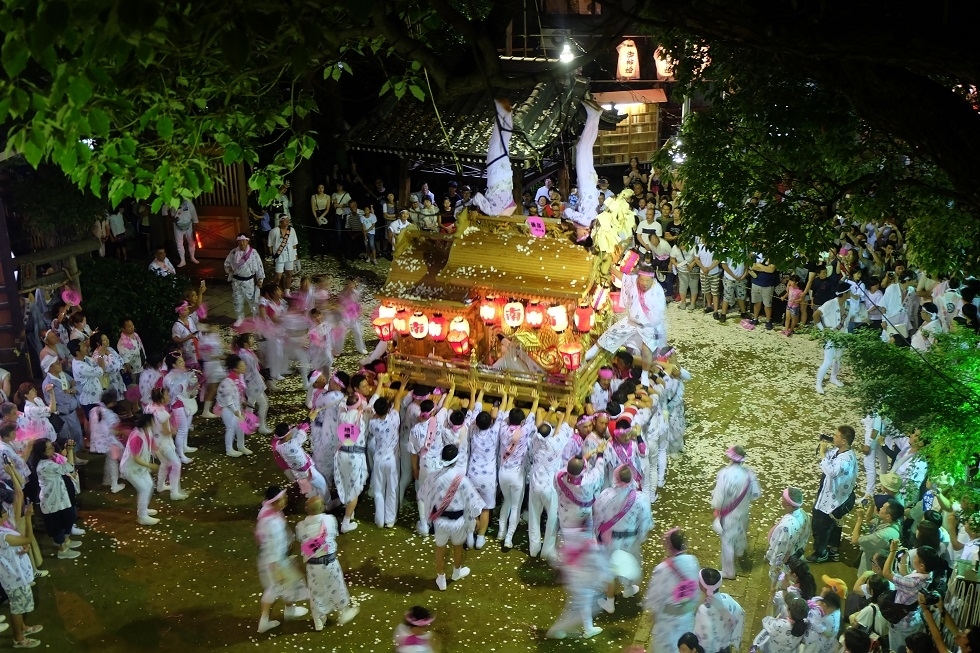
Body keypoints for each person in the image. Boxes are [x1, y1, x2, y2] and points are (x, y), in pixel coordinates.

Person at [418, 444, 483, 591]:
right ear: (456, 460)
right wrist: (475, 517)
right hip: (458, 521)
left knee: (440, 549)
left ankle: (441, 579)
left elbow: (423, 494)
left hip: (440, 520)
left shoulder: (433, 477)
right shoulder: (462, 480)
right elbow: (472, 501)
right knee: (458, 547)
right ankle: (456, 572)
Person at [294, 496, 358, 631]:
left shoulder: (300, 526)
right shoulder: (329, 520)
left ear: (306, 509)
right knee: (337, 586)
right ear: (323, 507)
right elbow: (333, 534)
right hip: (329, 563)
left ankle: (318, 620)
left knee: (316, 592)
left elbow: (301, 540)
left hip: (312, 565)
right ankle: (343, 612)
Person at [0, 464, 45, 648]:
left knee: (21, 605)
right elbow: (27, 537)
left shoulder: (4, 528)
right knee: (17, 607)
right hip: (13, 577)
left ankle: (23, 627)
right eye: (2, 512)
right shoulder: (3, 534)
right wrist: (28, 518)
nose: (5, 513)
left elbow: (21, 539)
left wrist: (23, 545)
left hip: (17, 572)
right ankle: (18, 638)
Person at [590, 264, 667, 371]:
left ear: (652, 280)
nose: (644, 283)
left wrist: (646, 323)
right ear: (638, 278)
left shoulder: (657, 291)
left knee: (646, 350)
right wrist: (611, 268)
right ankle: (590, 353)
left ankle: (645, 375)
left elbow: (658, 313)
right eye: (642, 280)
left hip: (649, 326)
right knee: (611, 333)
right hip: (632, 321)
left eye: (647, 281)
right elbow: (624, 278)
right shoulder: (634, 281)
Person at [255, 486, 309, 634]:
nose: (285, 500)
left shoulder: (268, 512)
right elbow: (273, 546)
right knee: (276, 588)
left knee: (286, 586)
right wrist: (278, 568)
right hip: (275, 562)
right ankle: (264, 621)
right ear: (273, 502)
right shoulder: (272, 523)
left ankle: (289, 609)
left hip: (275, 558)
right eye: (281, 499)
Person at [527, 399, 573, 560]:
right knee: (552, 520)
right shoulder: (555, 445)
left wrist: (552, 408)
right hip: (550, 488)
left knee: (534, 518)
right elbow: (564, 431)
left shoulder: (535, 439)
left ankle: (534, 548)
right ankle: (547, 549)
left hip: (534, 486)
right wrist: (566, 412)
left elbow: (542, 425)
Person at [545, 526, 608, 640]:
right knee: (578, 609)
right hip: (583, 583)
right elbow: (601, 568)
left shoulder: (573, 538)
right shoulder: (593, 547)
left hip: (575, 581)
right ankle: (556, 630)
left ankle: (588, 628)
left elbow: (558, 559)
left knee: (583, 606)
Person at [807, 425, 858, 563]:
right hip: (834, 497)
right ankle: (832, 549)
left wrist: (823, 454)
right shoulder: (842, 452)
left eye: (836, 436)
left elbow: (832, 472)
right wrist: (825, 450)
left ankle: (820, 553)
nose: (833, 437)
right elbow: (831, 458)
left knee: (820, 526)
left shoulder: (845, 460)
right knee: (833, 525)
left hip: (832, 500)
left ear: (844, 440)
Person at [645, 528, 702, 653]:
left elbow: (655, 598)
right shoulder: (692, 561)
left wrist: (653, 614)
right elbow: (696, 588)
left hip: (667, 620)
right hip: (687, 615)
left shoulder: (662, 569)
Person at [711, 445, 761, 579]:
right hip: (743, 511)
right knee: (741, 532)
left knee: (727, 540)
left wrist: (717, 509)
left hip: (729, 514)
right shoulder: (749, 473)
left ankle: (728, 571)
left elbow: (719, 497)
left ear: (730, 458)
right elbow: (756, 494)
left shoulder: (724, 474)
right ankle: (740, 551)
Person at [496, 393, 539, 549]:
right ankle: (508, 538)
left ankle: (501, 531)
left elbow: (504, 414)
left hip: (503, 474)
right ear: (521, 421)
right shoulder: (525, 430)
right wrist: (535, 400)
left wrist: (509, 398)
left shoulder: (502, 429)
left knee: (506, 502)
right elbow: (531, 417)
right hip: (516, 475)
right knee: (515, 506)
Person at [27, 438, 81, 559]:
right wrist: (71, 450)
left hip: (60, 496)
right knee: (57, 525)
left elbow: (64, 460)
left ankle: (66, 542)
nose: (53, 449)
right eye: (50, 448)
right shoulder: (45, 465)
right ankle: (62, 550)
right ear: (42, 452)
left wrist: (67, 451)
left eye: (52, 446)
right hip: (52, 500)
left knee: (67, 519)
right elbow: (69, 467)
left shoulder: (52, 458)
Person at [813, 282, 861, 394]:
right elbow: (816, 315)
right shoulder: (830, 304)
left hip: (843, 335)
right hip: (831, 336)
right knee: (828, 361)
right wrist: (823, 329)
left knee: (838, 359)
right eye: (849, 291)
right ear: (845, 293)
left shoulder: (848, 304)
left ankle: (833, 377)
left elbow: (851, 319)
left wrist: (864, 319)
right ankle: (818, 383)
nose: (851, 293)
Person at [369, 388, 404, 529]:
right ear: (388, 409)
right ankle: (390, 520)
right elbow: (397, 402)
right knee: (392, 489)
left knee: (378, 489)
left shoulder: (372, 423)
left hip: (378, 458)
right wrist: (401, 387)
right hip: (392, 460)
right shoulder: (394, 418)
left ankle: (379, 519)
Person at [765, 488, 810, 589]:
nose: (781, 500)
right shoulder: (804, 514)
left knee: (780, 587)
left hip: (785, 564)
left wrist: (775, 565)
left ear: (788, 505)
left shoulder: (786, 526)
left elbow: (779, 549)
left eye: (783, 499)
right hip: (797, 554)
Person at [120, 413, 160, 525]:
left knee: (149, 485)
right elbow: (136, 458)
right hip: (131, 468)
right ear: (148, 423)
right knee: (144, 489)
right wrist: (150, 465)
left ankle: (143, 510)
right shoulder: (137, 437)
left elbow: (153, 446)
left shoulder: (147, 432)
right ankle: (142, 516)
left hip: (139, 467)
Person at [693, 568, 746, 653]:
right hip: (726, 647)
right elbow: (740, 612)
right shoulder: (727, 598)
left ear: (703, 586)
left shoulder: (704, 610)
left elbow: (705, 639)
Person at [850, 498, 903, 574]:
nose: (880, 508)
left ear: (888, 516)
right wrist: (872, 505)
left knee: (864, 580)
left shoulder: (882, 535)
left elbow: (854, 540)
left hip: (872, 567)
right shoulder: (892, 521)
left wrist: (859, 518)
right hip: (873, 556)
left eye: (883, 508)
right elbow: (869, 520)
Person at [88, 389, 126, 493]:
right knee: (113, 460)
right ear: (112, 403)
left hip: (99, 441)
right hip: (110, 442)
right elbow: (113, 431)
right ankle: (114, 485)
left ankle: (108, 480)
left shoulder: (94, 410)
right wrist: (123, 433)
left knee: (110, 459)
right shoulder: (110, 415)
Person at [215, 354, 252, 458]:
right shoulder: (227, 383)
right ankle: (229, 449)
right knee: (231, 428)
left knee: (240, 427)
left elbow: (238, 394)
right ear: (235, 368)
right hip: (227, 409)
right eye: (242, 366)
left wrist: (242, 402)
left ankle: (241, 446)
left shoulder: (237, 379)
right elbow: (228, 401)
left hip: (236, 407)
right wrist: (237, 412)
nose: (245, 367)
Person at [224, 234, 265, 328]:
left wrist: (260, 279)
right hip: (236, 281)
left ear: (247, 241)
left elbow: (259, 266)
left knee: (253, 301)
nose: (242, 243)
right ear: (237, 242)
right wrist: (229, 269)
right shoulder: (233, 252)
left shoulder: (253, 253)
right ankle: (239, 317)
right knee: (237, 300)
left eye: (244, 241)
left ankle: (256, 317)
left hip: (249, 281)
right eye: (240, 241)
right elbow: (226, 264)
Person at [163, 199, 199, 267]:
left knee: (192, 242)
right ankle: (182, 260)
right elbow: (164, 210)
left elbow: (193, 212)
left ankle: (192, 257)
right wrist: (169, 219)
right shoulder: (171, 200)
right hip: (177, 225)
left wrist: (195, 223)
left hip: (188, 224)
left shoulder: (188, 201)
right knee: (179, 243)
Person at [268, 215, 299, 292]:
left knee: (289, 274)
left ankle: (287, 291)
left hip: (290, 255)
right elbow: (270, 244)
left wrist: (295, 255)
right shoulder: (274, 231)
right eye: (285, 221)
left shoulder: (292, 230)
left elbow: (294, 243)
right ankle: (274, 291)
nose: (287, 222)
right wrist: (272, 255)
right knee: (278, 276)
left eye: (288, 220)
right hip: (279, 256)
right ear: (280, 221)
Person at [310, 183, 331, 258]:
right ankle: (315, 252)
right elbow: (313, 208)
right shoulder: (313, 197)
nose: (320, 189)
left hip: (324, 215)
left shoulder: (327, 197)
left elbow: (327, 209)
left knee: (324, 234)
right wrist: (316, 218)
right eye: (319, 187)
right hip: (316, 214)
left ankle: (325, 252)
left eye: (322, 187)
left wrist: (321, 217)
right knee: (316, 234)